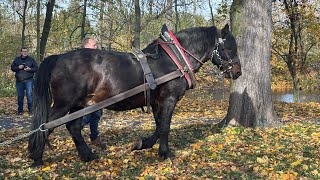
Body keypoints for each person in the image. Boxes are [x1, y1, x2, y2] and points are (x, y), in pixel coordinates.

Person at [80, 36, 106, 148]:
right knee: (88, 116)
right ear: (86, 45)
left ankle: (94, 137)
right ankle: (75, 130)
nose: (96, 47)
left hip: (96, 93)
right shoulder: (81, 58)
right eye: (94, 45)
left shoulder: (95, 58)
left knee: (97, 115)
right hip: (86, 93)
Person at [11, 47, 38, 115]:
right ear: (21, 52)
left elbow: (36, 68)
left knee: (29, 96)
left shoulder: (31, 59)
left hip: (29, 80)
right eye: (23, 51)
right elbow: (12, 68)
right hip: (19, 81)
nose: (24, 52)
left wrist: (30, 69)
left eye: (26, 51)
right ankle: (20, 111)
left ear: (27, 52)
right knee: (20, 96)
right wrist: (18, 67)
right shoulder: (17, 60)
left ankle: (31, 111)